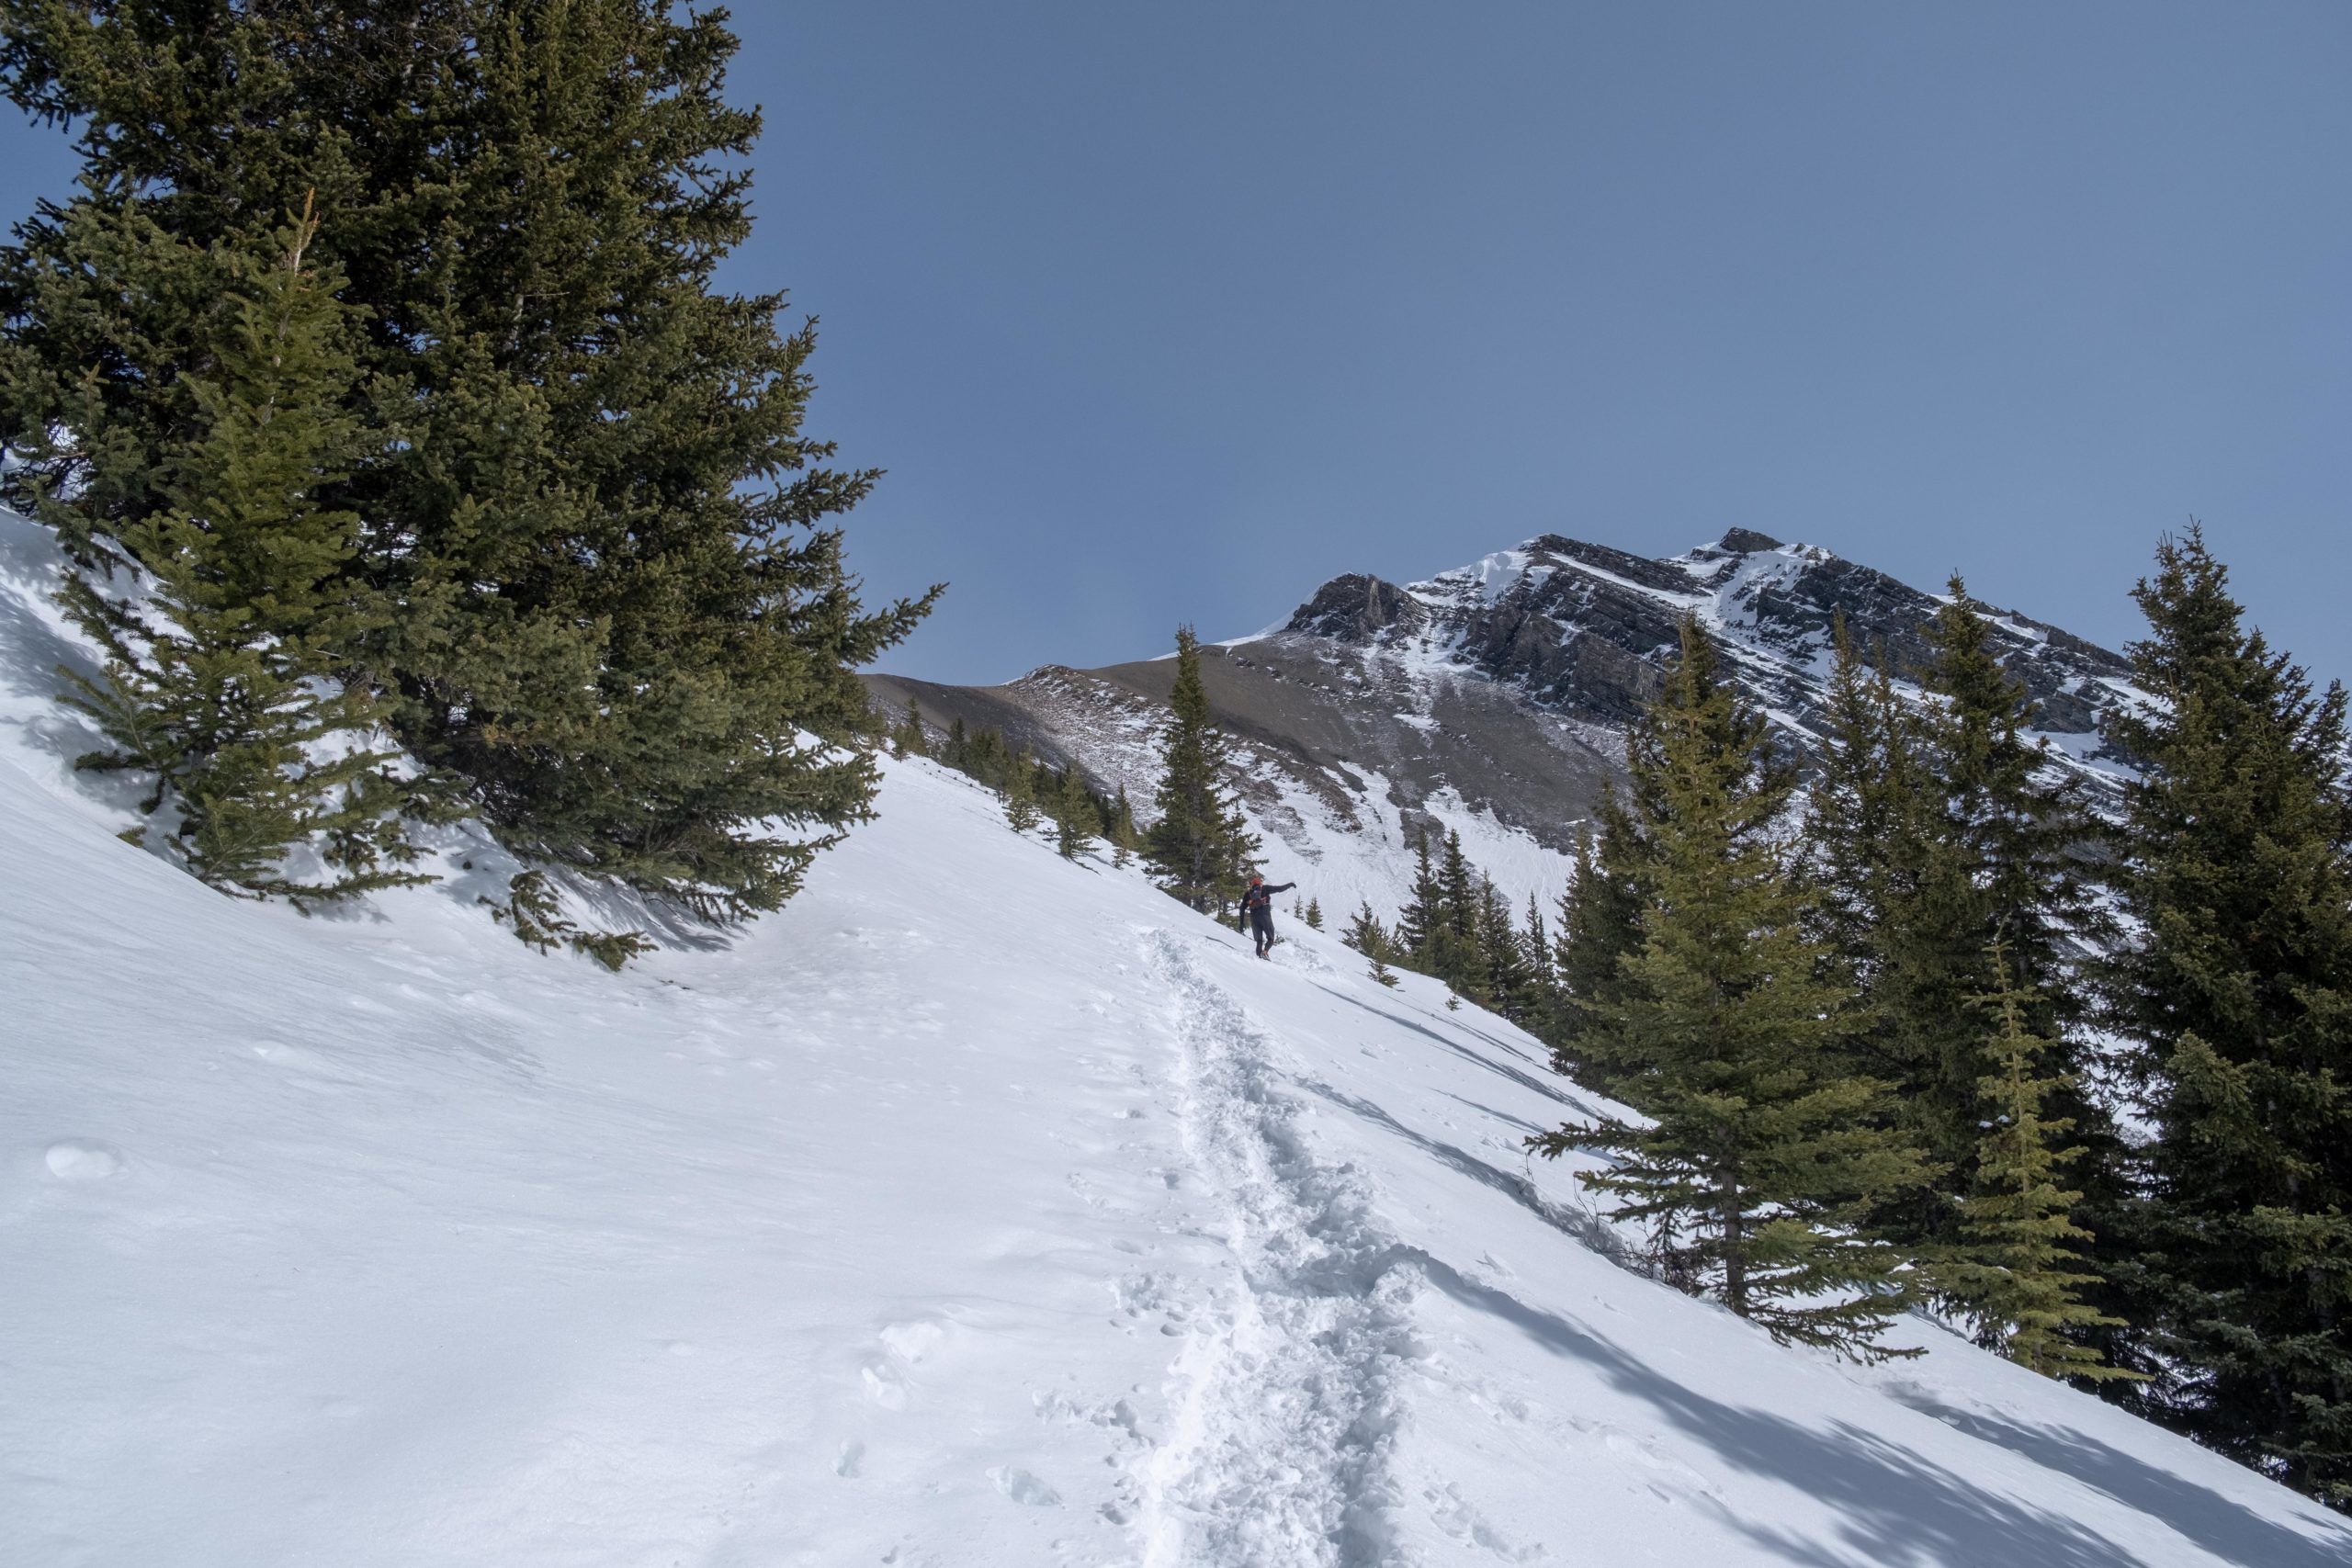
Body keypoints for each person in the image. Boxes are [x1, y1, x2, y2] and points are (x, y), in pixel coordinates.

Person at [1239, 873, 1296, 959]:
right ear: (1260, 884)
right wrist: (1290, 884)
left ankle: (1259, 956)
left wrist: (1241, 922)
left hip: (1254, 918)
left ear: (1252, 885)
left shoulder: (1248, 894)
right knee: (1271, 938)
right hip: (1264, 916)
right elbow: (1279, 889)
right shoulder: (1265, 888)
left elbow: (1242, 908)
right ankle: (1265, 952)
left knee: (1259, 940)